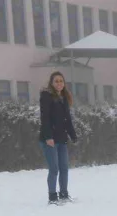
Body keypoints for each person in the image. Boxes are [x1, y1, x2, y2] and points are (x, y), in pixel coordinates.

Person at [39, 71, 77, 205]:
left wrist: (73, 135)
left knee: (64, 168)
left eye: (61, 81)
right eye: (56, 81)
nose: (59, 83)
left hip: (61, 138)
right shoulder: (46, 96)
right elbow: (45, 118)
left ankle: (64, 194)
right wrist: (48, 137)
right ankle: (52, 196)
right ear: (51, 83)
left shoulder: (64, 97)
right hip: (49, 139)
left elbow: (67, 119)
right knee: (54, 169)